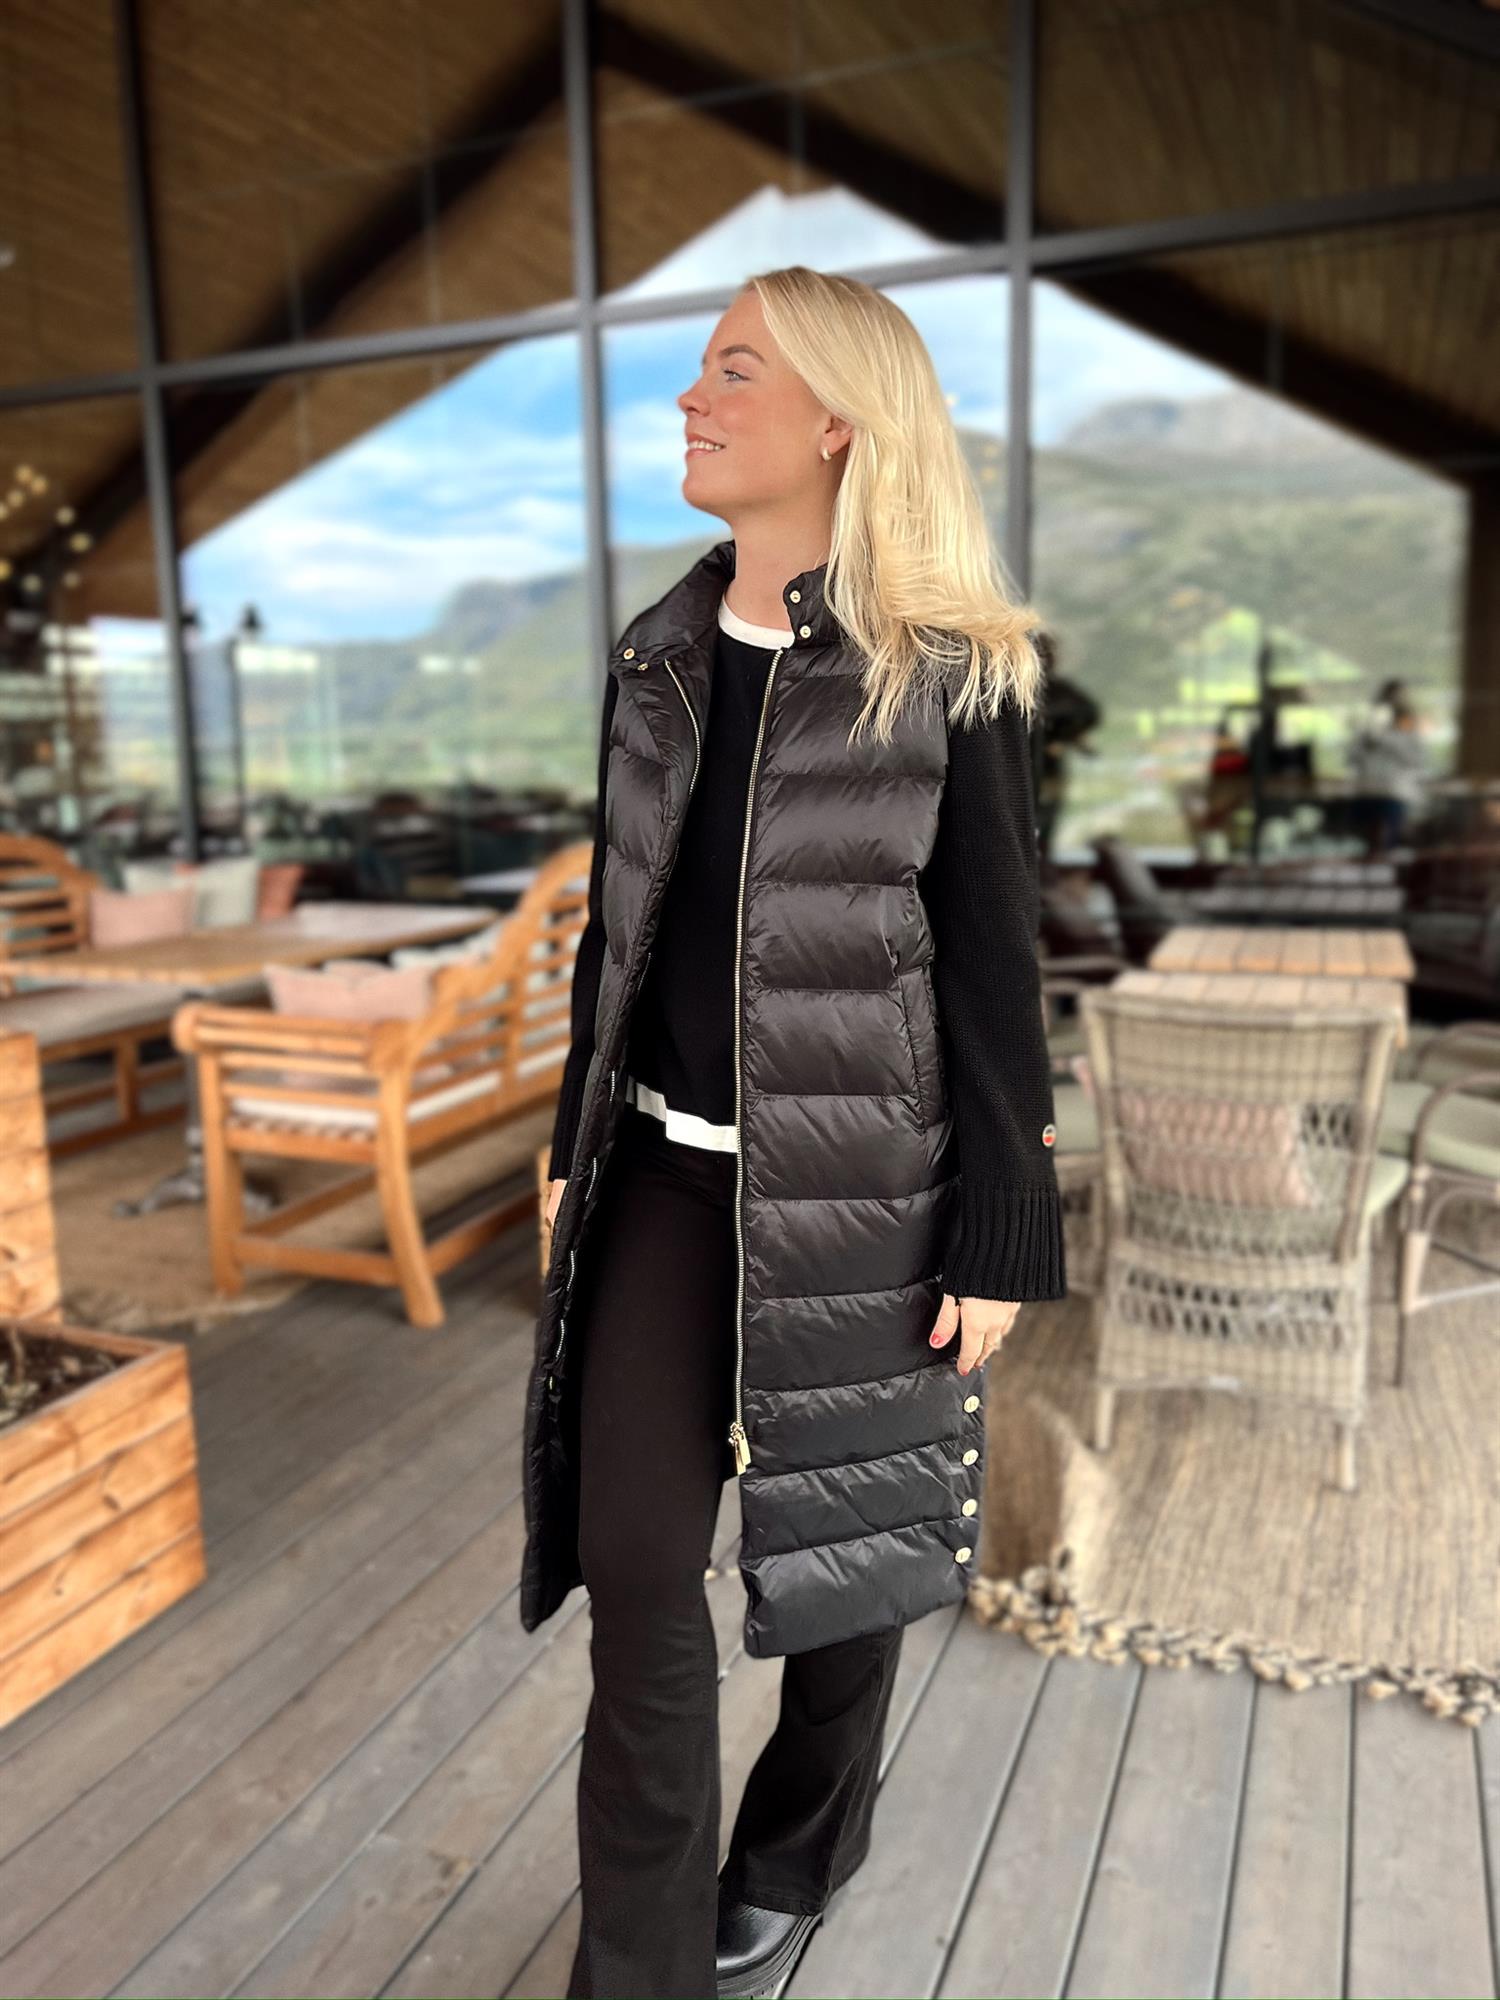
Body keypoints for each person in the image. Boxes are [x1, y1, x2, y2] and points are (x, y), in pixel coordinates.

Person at [523, 266, 1066, 1999]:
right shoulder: (658, 658)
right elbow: (617, 927)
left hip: (869, 1196)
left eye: (734, 371)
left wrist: (1002, 1227)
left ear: (839, 419)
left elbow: (993, 969)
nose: (693, 400)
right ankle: (641, 1972)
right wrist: (570, 1140)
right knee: (634, 1564)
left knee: (849, 1563)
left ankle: (800, 1848)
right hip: (664, 1177)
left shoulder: (953, 676)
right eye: (700, 370)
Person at [1028, 630, 1100, 864]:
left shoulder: (1057, 690)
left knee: (1044, 831)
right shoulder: (1021, 688)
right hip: (1024, 772)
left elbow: (1089, 712)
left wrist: (1061, 737)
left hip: (1047, 773)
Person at [1347, 679, 1429, 857]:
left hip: (1394, 792)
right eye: (1389, 698)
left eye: (1399, 698)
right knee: (1366, 844)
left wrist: (1387, 742)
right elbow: (1352, 758)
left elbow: (1417, 759)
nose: (1394, 703)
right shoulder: (1368, 726)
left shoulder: (1409, 728)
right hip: (1367, 791)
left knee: (1388, 845)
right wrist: (1368, 742)